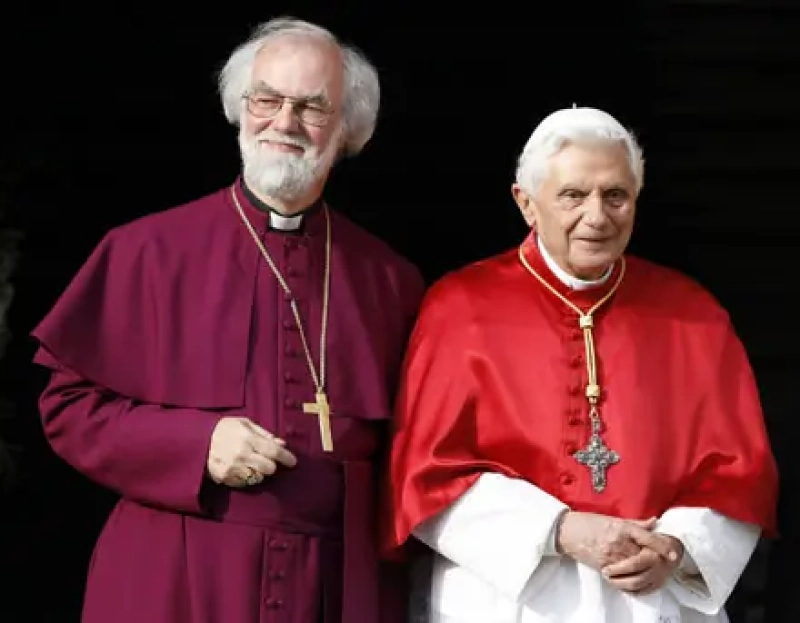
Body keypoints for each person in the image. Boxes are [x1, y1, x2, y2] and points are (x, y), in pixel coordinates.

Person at [32, 17, 424, 623]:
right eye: (266, 99)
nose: (285, 122)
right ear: (239, 107)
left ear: (348, 128)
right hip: (178, 574)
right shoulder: (147, 251)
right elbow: (67, 406)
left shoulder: (389, 280)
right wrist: (195, 444)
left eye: (312, 107)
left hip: (336, 585)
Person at [382, 106, 778, 622]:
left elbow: (740, 473)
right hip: (507, 598)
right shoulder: (460, 308)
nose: (597, 216)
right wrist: (560, 530)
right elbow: (424, 477)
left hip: (655, 602)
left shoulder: (692, 314)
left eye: (615, 196)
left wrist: (678, 548)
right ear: (526, 204)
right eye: (573, 195)